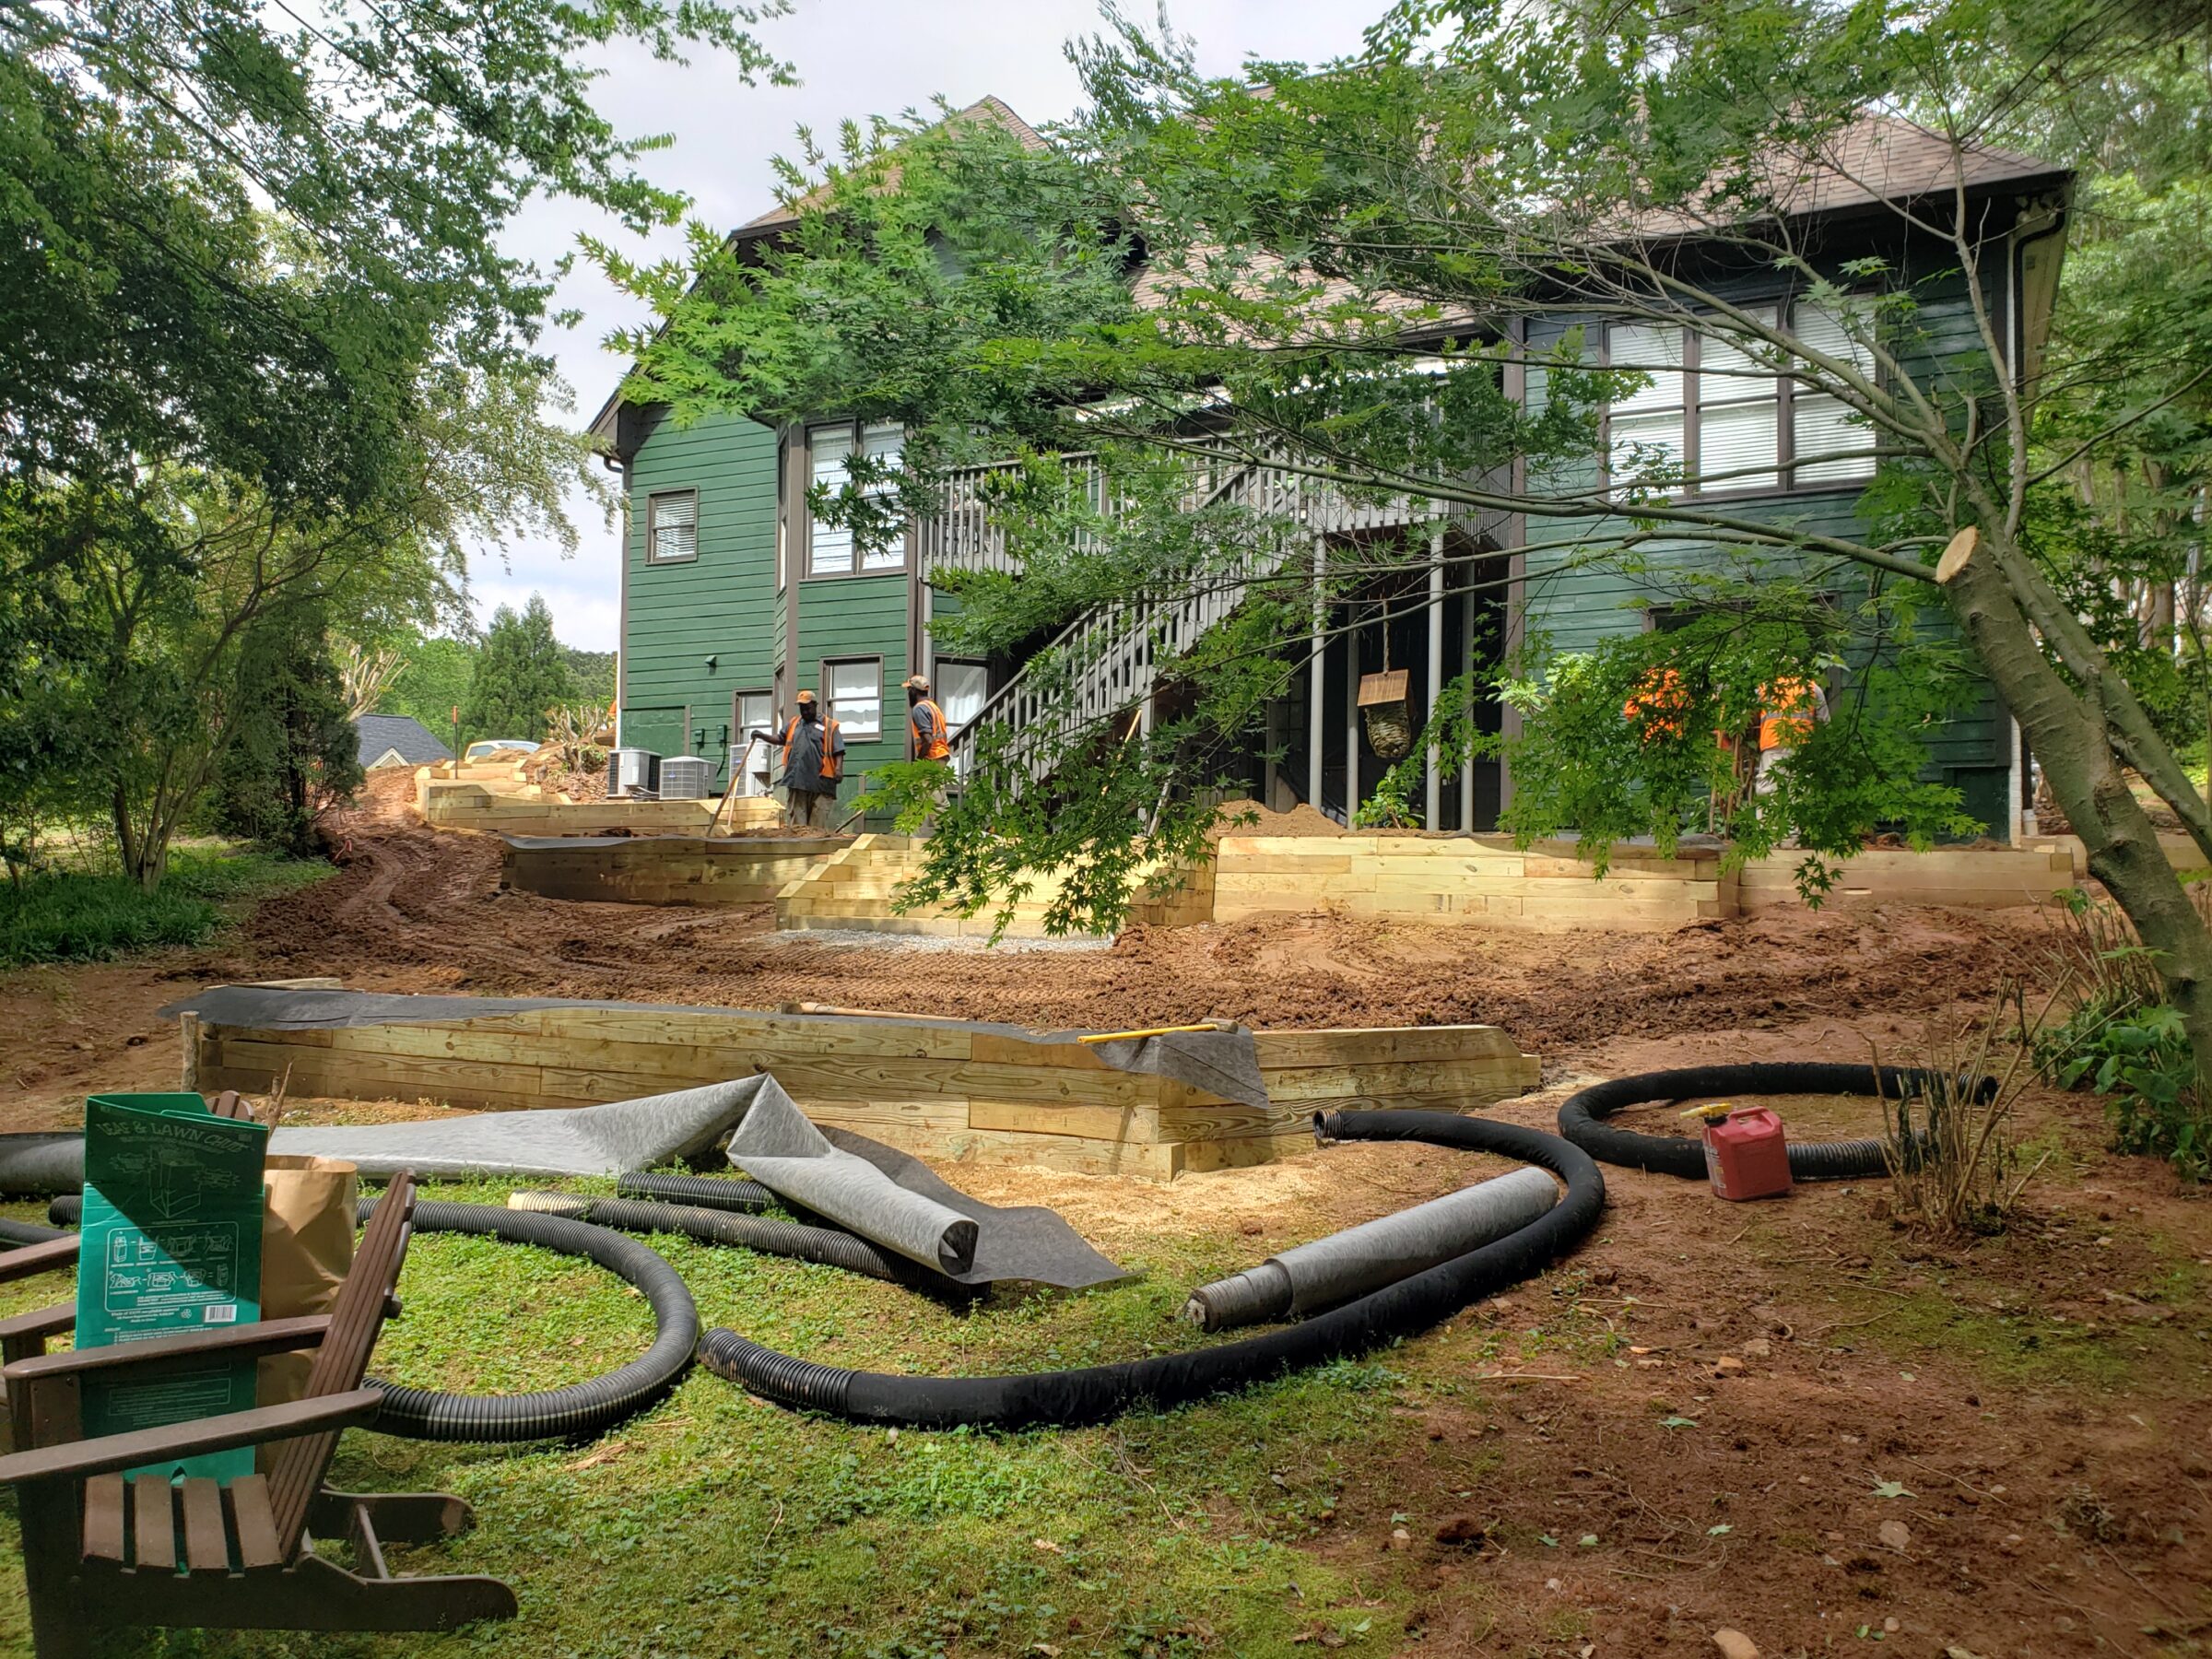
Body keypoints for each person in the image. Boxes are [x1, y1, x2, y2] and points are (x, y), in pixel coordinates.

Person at [771, 690, 844, 829]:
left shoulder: (830, 725)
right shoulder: (794, 723)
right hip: (797, 780)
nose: (804, 711)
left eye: (807, 708)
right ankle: (798, 849)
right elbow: (780, 738)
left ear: (815, 705)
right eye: (802, 708)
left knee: (817, 824)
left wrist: (838, 768)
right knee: (798, 826)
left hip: (822, 781)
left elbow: (838, 750)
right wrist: (762, 736)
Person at [1756, 675, 1827, 794]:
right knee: (1800, 794)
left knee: (1770, 794)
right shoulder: (1812, 688)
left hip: (1773, 746)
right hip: (1803, 748)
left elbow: (1744, 717)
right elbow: (1824, 724)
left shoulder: (1764, 688)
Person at [903, 675, 950, 761]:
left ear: (913, 691)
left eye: (909, 690)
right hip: (942, 755)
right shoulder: (934, 707)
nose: (908, 693)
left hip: (932, 757)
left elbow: (928, 740)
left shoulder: (919, 708)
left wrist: (919, 760)